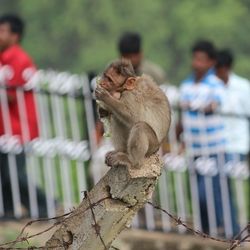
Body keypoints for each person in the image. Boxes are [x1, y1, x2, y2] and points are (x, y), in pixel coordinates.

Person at [0, 14, 47, 218]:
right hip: (5, 127)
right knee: (4, 173)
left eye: (2, 31)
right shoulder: (4, 59)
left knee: (14, 174)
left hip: (19, 127)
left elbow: (10, 94)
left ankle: (45, 204)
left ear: (15, 35)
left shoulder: (17, 59)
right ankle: (9, 211)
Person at [179, 40, 226, 234]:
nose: (197, 63)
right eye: (195, 58)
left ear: (211, 62)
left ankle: (220, 229)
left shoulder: (215, 84)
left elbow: (215, 105)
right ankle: (206, 231)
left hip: (213, 147)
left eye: (201, 59)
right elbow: (181, 117)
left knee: (211, 193)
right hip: (194, 146)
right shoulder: (186, 85)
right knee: (197, 195)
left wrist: (195, 106)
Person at [215, 49, 250, 235]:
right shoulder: (213, 87)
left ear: (225, 68)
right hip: (218, 144)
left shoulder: (243, 87)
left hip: (238, 145)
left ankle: (238, 229)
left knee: (235, 188)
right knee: (221, 188)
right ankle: (230, 228)